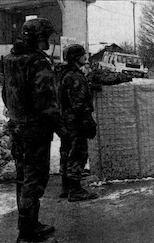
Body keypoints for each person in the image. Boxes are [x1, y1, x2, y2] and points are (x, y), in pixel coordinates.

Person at [3, 18, 63, 243]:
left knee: (23, 178)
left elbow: (5, 94)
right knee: (34, 180)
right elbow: (46, 101)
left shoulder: (10, 59)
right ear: (39, 38)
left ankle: (29, 225)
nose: (48, 41)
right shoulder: (38, 62)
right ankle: (27, 233)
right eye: (46, 37)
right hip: (35, 131)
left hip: (17, 127)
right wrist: (62, 129)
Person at [58, 44, 99, 202]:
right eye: (83, 54)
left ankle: (66, 187)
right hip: (76, 121)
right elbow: (78, 103)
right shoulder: (74, 76)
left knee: (66, 151)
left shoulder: (65, 74)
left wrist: (89, 87)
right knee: (78, 153)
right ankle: (75, 190)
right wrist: (89, 122)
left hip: (66, 121)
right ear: (76, 57)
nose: (86, 56)